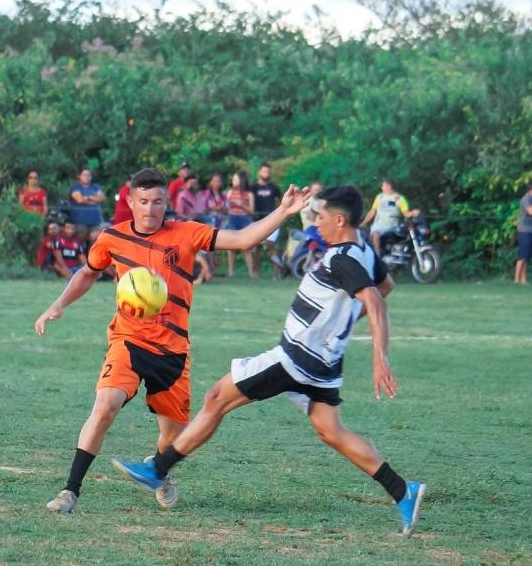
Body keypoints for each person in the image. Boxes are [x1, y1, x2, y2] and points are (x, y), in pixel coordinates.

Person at [112, 185, 426, 536]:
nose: (316, 223)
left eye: (320, 217)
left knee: (216, 398)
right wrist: (341, 322)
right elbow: (385, 288)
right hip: (324, 363)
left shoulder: (343, 258)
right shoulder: (365, 249)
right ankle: (403, 490)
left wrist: (379, 357)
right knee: (331, 431)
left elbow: (375, 299)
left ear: (340, 219)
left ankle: (158, 467)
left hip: (296, 358)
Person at [33, 168, 311, 515]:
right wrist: (58, 304)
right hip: (128, 341)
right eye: (144, 202)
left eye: (158, 202)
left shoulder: (187, 234)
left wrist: (283, 211)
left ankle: (160, 473)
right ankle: (69, 492)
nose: (151, 209)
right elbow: (88, 272)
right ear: (131, 202)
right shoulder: (112, 238)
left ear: (168, 202)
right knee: (105, 406)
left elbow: (244, 240)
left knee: (173, 440)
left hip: (173, 351)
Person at [361, 179, 419, 257]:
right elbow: (372, 212)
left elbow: (406, 214)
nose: (381, 187)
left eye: (383, 185)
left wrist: (413, 213)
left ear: (389, 186)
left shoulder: (400, 198)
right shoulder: (379, 197)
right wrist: (363, 223)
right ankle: (377, 258)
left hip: (394, 226)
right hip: (379, 226)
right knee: (375, 234)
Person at [251, 163, 283, 278]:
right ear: (259, 172)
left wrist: (278, 213)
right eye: (264, 171)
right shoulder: (253, 188)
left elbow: (282, 201)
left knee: (271, 245)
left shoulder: (274, 187)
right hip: (257, 222)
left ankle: (277, 273)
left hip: (272, 221)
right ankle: (256, 273)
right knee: (255, 247)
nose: (267, 174)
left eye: (268, 172)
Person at [225, 170, 256, 277]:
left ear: (241, 180)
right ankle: (231, 273)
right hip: (232, 218)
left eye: (235, 179)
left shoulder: (249, 194)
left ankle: (251, 273)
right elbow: (226, 207)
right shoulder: (230, 193)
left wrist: (241, 205)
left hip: (244, 219)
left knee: (246, 247)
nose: (233, 181)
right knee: (230, 247)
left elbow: (252, 211)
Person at [285, 180, 323, 261]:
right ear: (311, 190)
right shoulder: (307, 201)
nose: (318, 192)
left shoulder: (322, 201)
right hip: (310, 231)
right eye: (315, 190)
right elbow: (311, 216)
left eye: (319, 190)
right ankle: (293, 260)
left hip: (320, 231)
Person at [513, 183, 532, 285]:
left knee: (527, 257)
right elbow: (531, 211)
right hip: (524, 230)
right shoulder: (526, 199)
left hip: (531, 230)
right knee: (522, 255)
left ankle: (523, 279)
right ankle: (516, 279)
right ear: (531, 191)